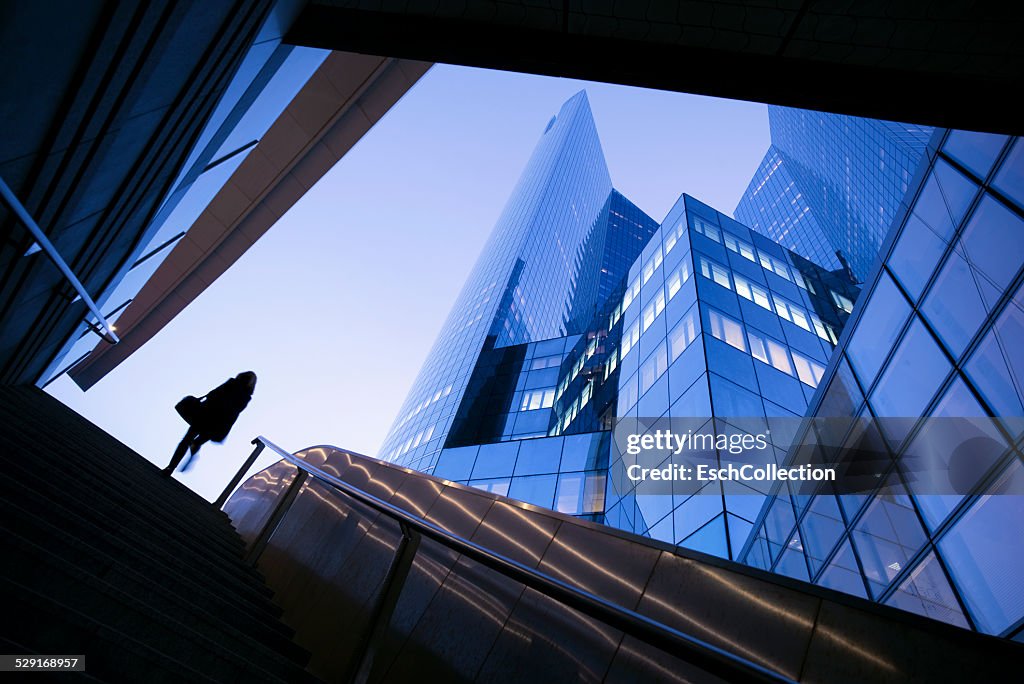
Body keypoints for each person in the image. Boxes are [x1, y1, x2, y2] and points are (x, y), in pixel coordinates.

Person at [164, 371, 257, 475]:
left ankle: (170, 467)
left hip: (205, 414)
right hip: (219, 423)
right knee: (197, 442)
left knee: (186, 440)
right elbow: (236, 412)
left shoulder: (232, 383)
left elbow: (214, 393)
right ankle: (195, 446)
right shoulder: (246, 397)